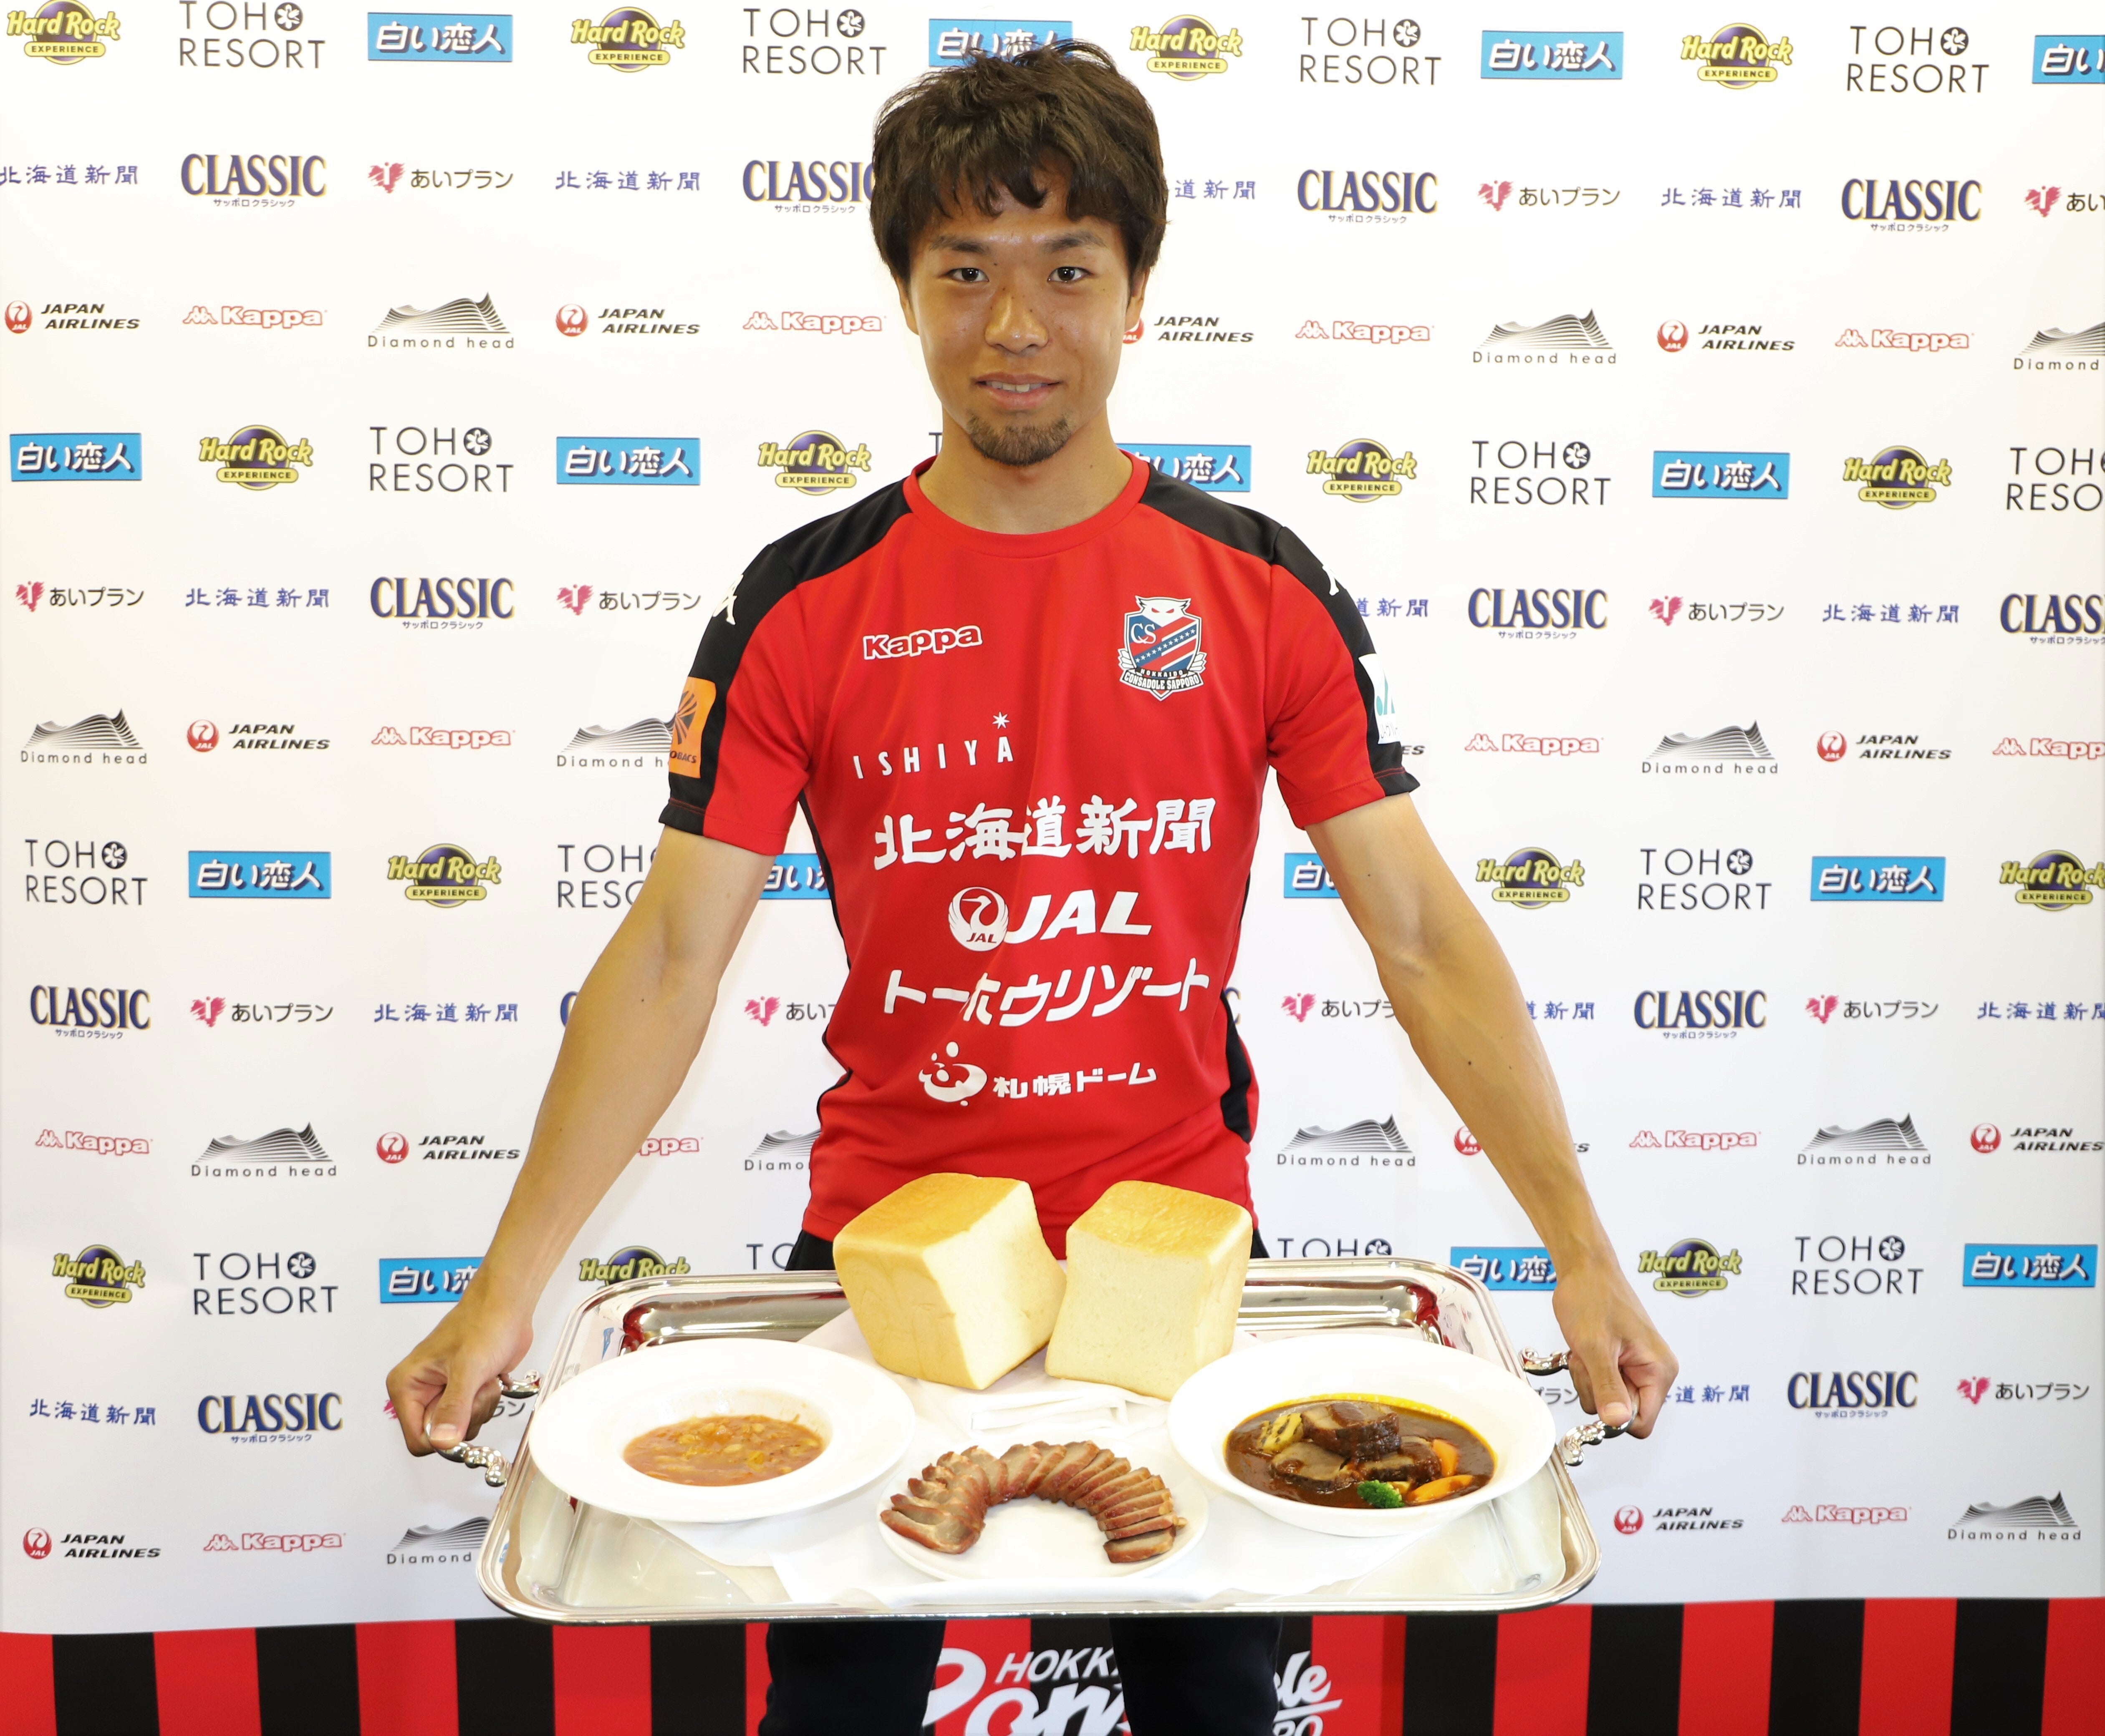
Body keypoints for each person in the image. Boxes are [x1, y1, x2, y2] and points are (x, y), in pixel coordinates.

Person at [386, 40, 1678, 1735]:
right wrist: (504, 1289)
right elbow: (669, 960)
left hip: (1177, 1238)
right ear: (907, 298)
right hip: (882, 1248)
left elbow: (1424, 933)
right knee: (837, 1703)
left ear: (1135, 293)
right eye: (964, 271)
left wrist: (1579, 1251)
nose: (1014, 323)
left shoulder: (1258, 587)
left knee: (1214, 1700)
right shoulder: (802, 599)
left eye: (1067, 269)